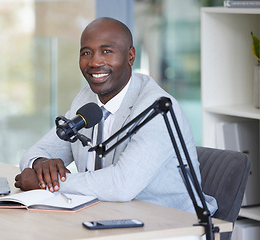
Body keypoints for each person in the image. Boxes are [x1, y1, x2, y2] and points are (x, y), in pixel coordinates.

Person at [14, 17, 218, 214]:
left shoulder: (156, 108)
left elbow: (122, 184)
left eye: (107, 51)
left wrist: (45, 184)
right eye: (86, 53)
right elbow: (35, 152)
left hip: (172, 224)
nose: (95, 62)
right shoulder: (87, 98)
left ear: (130, 56)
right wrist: (40, 164)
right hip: (107, 215)